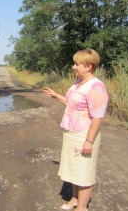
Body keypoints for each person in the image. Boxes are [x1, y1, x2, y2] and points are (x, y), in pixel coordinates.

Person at [43, 48, 108, 211]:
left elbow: (98, 117)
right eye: (74, 63)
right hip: (71, 133)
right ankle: (74, 200)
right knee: (74, 169)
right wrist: (56, 96)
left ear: (89, 66)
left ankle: (82, 208)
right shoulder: (78, 82)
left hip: (84, 135)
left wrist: (89, 141)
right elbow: (72, 105)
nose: (74, 67)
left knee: (84, 172)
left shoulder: (96, 86)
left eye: (78, 64)